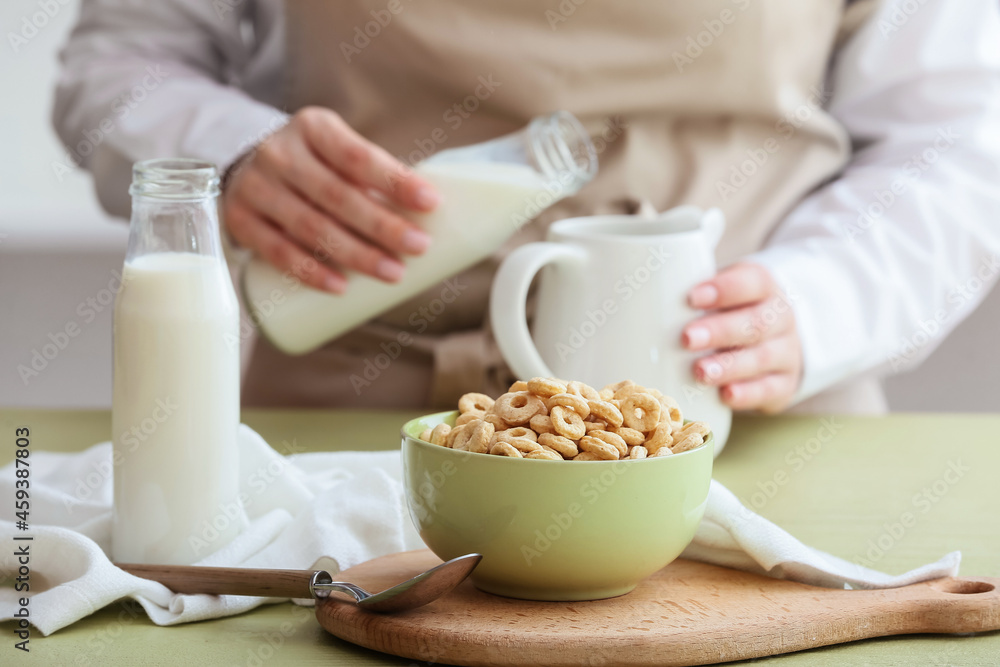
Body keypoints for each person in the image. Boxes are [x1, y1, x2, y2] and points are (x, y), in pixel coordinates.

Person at [53, 0, 1000, 413]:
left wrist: (824, 301)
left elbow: (959, 131)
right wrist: (228, 151)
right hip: (353, 415)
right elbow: (117, 62)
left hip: (742, 410)